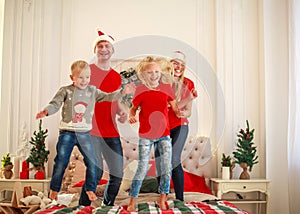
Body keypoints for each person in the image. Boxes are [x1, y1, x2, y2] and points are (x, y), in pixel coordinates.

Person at [36, 60, 134, 202]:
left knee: (92, 162)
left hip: (84, 133)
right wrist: (46, 112)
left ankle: (90, 191)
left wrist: (122, 92)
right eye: (81, 77)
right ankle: (55, 189)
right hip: (68, 132)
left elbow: (108, 97)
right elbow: (55, 104)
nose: (84, 81)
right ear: (72, 78)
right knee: (61, 161)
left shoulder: (92, 91)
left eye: (87, 77)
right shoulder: (66, 90)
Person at [79, 30, 128, 206]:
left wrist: (122, 113)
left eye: (107, 46)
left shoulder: (116, 77)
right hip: (90, 132)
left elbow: (115, 101)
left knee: (117, 174)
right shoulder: (87, 71)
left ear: (112, 50)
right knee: (96, 172)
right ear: (95, 50)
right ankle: (82, 207)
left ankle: (107, 206)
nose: (104, 49)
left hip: (111, 131)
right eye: (100, 46)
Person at [127, 56, 181, 212]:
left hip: (164, 134)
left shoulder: (166, 88)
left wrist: (180, 110)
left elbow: (175, 108)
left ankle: (162, 199)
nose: (154, 75)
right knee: (142, 167)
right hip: (146, 135)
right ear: (144, 75)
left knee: (166, 167)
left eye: (156, 71)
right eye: (150, 72)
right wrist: (132, 115)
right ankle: (132, 201)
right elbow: (133, 108)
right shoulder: (140, 90)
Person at [155, 50, 198, 201]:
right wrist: (184, 103)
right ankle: (162, 196)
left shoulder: (188, 83)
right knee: (160, 159)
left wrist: (184, 113)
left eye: (182, 64)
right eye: (175, 63)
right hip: (160, 127)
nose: (178, 67)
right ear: (169, 64)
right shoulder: (159, 82)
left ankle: (180, 199)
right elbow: (166, 107)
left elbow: (188, 111)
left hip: (180, 125)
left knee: (173, 159)